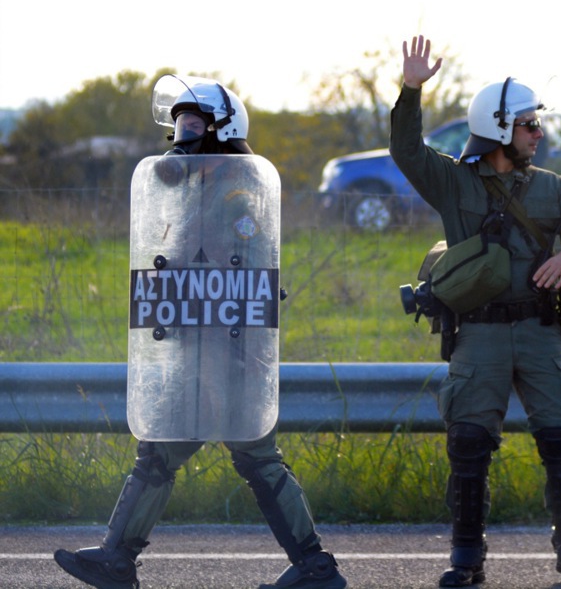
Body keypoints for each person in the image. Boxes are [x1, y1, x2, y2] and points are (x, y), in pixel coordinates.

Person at [54, 77, 347, 589]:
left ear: (220, 131)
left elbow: (252, 268)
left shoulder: (235, 197)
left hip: (227, 352)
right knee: (163, 448)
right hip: (199, 347)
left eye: (191, 124)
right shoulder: (197, 195)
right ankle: (117, 559)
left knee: (252, 455)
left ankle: (314, 568)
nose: (179, 135)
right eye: (178, 123)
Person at [391, 36, 561, 587]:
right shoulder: (454, 181)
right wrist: (410, 90)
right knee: (468, 447)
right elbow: (407, 153)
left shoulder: (552, 189)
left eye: (537, 124)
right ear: (498, 128)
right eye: (530, 124)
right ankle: (466, 559)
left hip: (540, 331)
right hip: (480, 334)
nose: (539, 133)